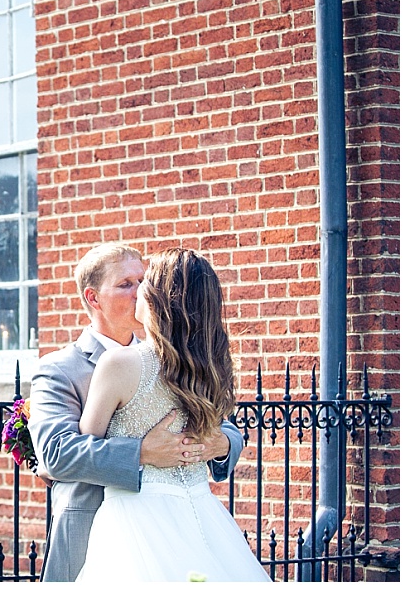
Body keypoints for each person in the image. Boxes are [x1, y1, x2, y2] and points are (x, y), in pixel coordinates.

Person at [27, 243, 245, 582]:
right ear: (93, 298)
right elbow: (56, 453)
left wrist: (224, 444)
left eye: (143, 281)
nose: (139, 291)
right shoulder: (59, 369)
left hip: (175, 527)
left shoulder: (174, 356)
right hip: (92, 527)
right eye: (125, 283)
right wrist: (141, 453)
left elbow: (220, 422)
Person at [74, 247, 269, 582]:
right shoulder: (211, 368)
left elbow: (86, 446)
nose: (138, 290)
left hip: (135, 516)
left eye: (145, 282)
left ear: (159, 299)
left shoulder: (120, 363)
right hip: (202, 513)